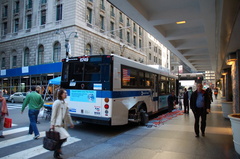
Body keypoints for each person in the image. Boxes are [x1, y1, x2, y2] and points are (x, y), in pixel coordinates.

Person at [50, 89, 74, 159]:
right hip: (57, 124)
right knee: (64, 136)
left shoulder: (65, 103)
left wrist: (71, 123)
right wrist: (52, 124)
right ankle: (57, 149)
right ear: (61, 94)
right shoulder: (57, 102)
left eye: (66, 93)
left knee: (60, 138)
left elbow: (68, 114)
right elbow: (53, 114)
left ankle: (56, 154)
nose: (66, 94)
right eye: (65, 93)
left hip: (63, 124)